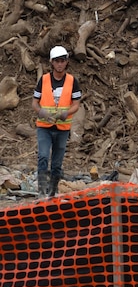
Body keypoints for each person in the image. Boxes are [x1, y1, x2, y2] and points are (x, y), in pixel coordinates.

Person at [34, 45, 83, 197]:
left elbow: (76, 104)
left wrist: (66, 113)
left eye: (62, 61)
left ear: (66, 62)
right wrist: (40, 111)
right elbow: (34, 102)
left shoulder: (72, 81)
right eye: (57, 61)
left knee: (56, 163)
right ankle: (42, 191)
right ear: (52, 63)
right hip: (44, 126)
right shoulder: (44, 80)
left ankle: (52, 192)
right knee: (43, 155)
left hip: (62, 127)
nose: (60, 64)